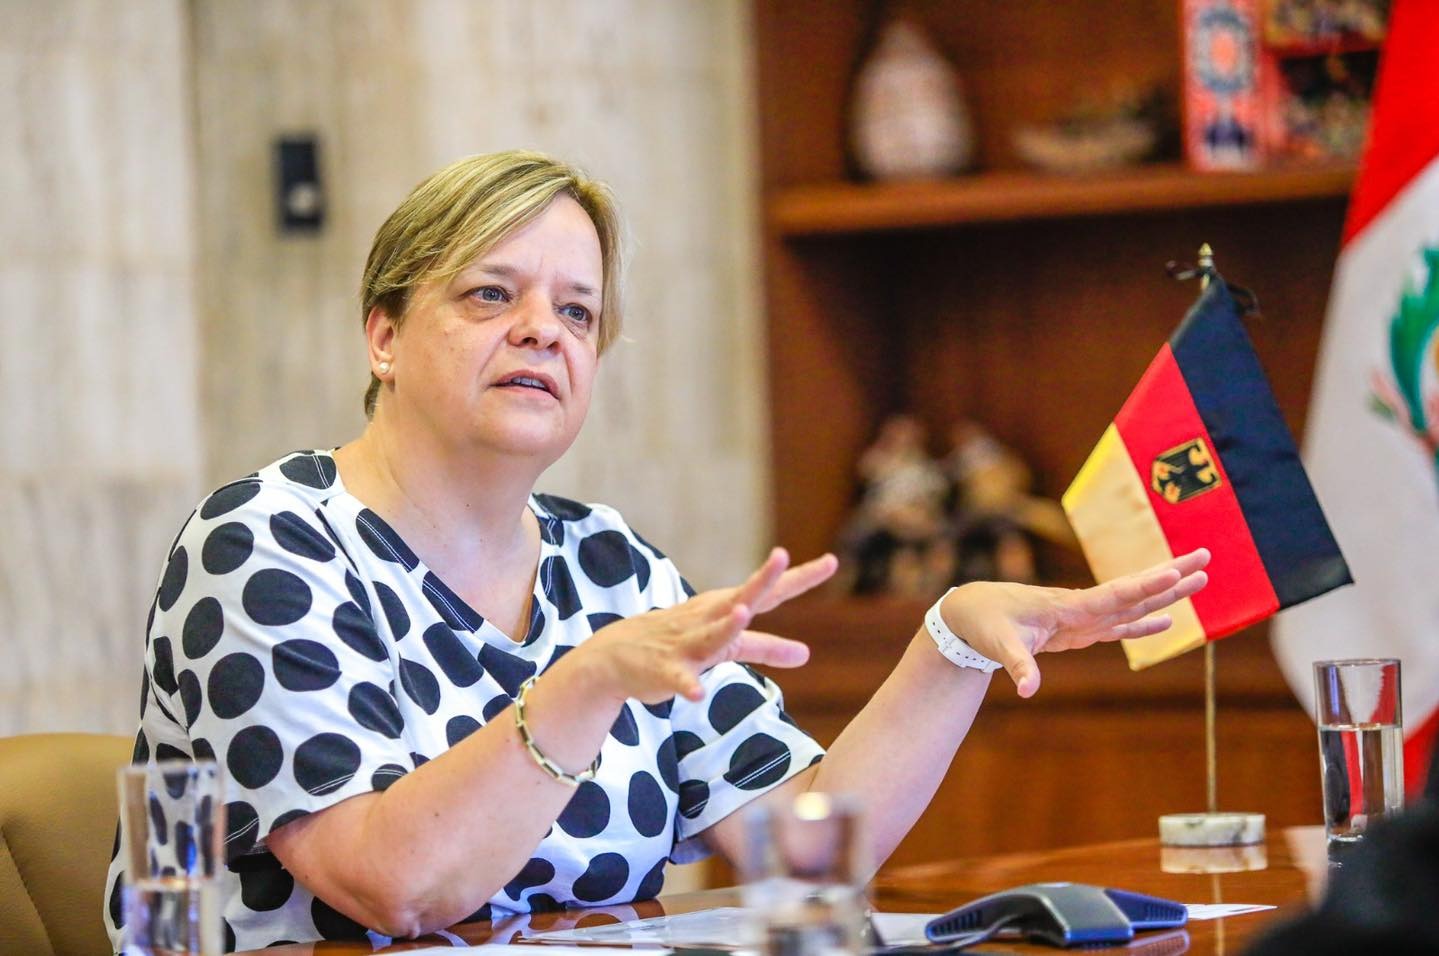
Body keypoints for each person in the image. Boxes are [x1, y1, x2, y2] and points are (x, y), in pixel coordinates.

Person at [103, 150, 1209, 952]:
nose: (542, 328)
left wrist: (951, 639)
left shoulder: (609, 563)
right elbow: (394, 887)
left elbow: (802, 843)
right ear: (383, 335)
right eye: (492, 294)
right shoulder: (265, 541)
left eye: (576, 312)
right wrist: (583, 681)